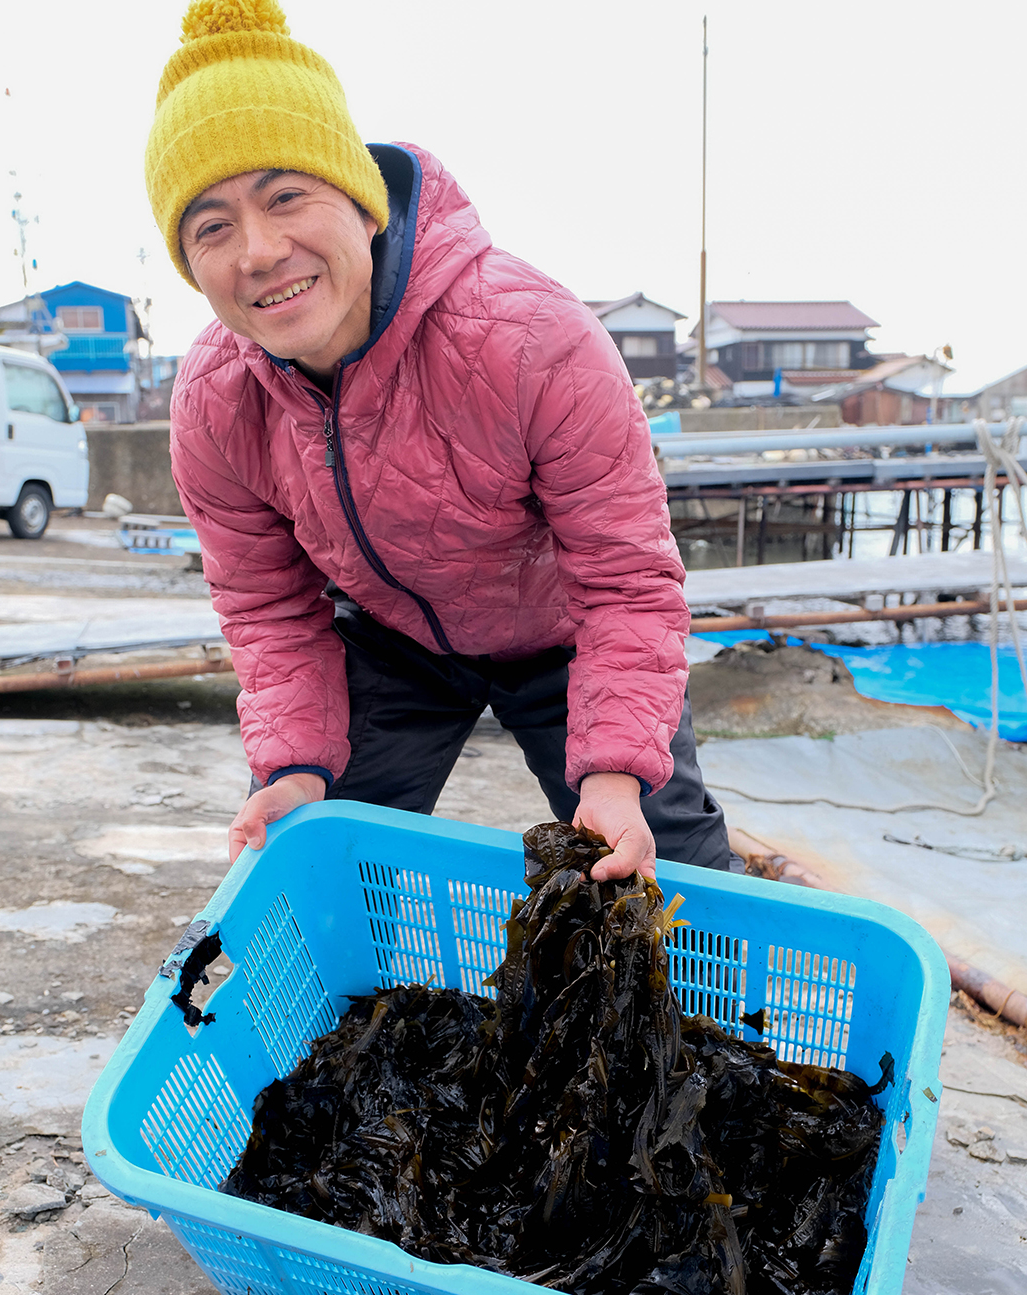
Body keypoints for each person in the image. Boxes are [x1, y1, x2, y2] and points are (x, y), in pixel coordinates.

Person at [146, 0, 738, 883]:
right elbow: (269, 609)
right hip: (390, 638)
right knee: (321, 861)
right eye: (212, 228)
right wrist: (295, 764)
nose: (260, 252)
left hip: (562, 628)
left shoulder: (533, 336)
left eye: (286, 197)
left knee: (669, 868)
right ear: (191, 266)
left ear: (363, 202)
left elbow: (626, 579)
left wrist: (615, 770)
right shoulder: (214, 403)